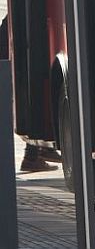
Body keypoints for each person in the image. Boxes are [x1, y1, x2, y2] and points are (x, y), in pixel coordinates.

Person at [0, 15, 59, 172]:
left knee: (35, 98)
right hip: (15, 64)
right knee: (35, 99)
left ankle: (37, 154)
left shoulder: (14, 18)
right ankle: (33, 156)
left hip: (13, 61)